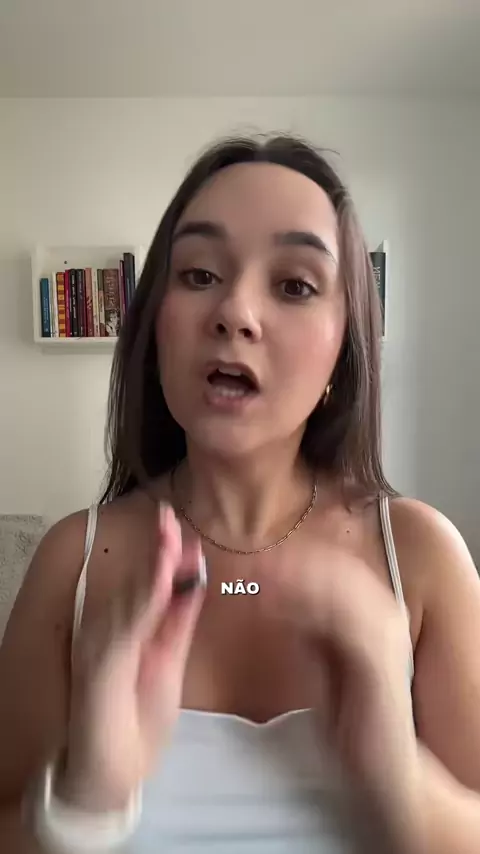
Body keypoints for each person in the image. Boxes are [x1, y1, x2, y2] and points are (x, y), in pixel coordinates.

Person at [0, 134, 480, 854]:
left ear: (341, 351)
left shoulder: (421, 555)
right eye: (199, 274)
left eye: (295, 285)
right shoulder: (76, 559)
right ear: (155, 327)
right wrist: (84, 800)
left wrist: (403, 792)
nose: (235, 312)